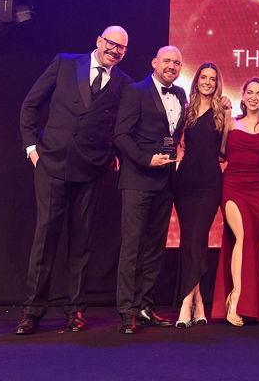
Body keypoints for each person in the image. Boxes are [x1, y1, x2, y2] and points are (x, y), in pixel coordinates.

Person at [15, 26, 131, 335]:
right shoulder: (65, 63)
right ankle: (32, 311)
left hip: (91, 171)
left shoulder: (124, 83)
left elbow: (122, 128)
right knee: (45, 239)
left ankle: (76, 309)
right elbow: (31, 104)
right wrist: (31, 148)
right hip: (52, 163)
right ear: (99, 41)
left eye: (121, 48)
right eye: (111, 43)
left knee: (82, 241)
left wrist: (113, 155)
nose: (115, 50)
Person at [113, 46, 186, 334]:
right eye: (167, 60)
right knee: (132, 247)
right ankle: (127, 311)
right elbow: (121, 135)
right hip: (138, 180)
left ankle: (145, 306)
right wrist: (146, 159)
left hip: (165, 182)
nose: (171, 66)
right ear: (154, 62)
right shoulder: (135, 91)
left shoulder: (181, 94)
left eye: (177, 63)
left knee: (155, 248)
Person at [211, 78, 259, 325]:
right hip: (233, 186)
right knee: (244, 237)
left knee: (253, 244)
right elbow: (219, 153)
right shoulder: (230, 122)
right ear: (243, 95)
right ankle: (236, 299)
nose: (254, 97)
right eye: (250, 92)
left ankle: (248, 303)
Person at [173, 62, 231, 328]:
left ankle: (186, 302)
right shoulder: (185, 110)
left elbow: (224, 152)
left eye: (212, 78)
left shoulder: (223, 111)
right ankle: (197, 301)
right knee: (189, 241)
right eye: (204, 77)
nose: (208, 82)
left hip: (210, 183)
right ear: (196, 80)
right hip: (185, 181)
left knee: (197, 237)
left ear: (218, 83)